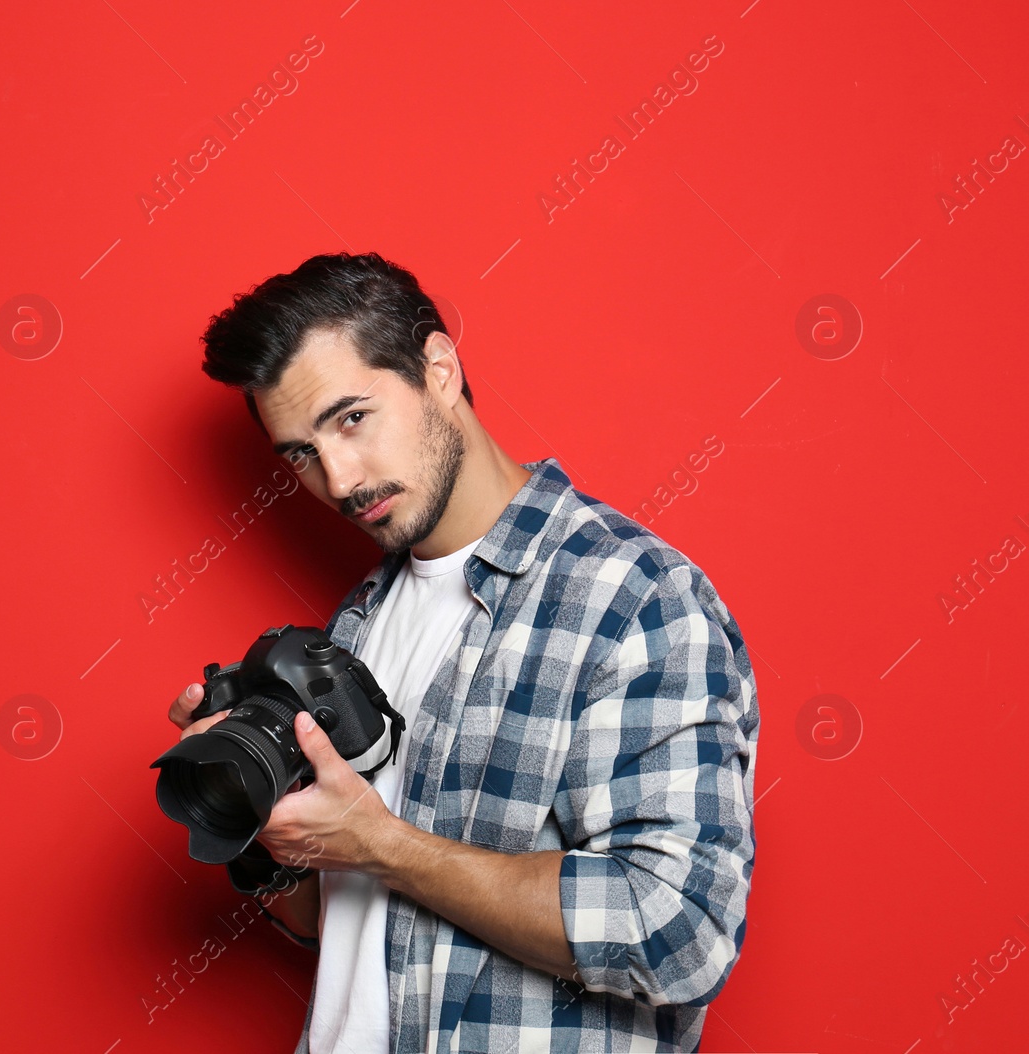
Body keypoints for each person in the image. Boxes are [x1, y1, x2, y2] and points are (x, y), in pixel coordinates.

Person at [164, 252, 759, 1053]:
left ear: (439, 369)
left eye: (352, 419)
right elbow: (337, 928)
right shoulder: (355, 627)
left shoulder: (632, 597)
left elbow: (681, 931)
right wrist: (261, 821)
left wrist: (383, 844)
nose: (338, 479)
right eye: (300, 454)